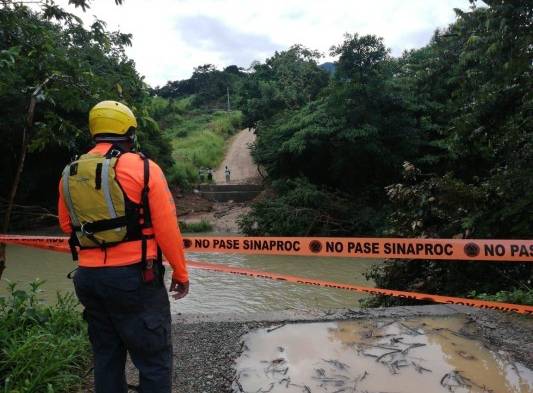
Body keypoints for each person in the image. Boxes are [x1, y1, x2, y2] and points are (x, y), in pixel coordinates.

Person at [57, 100, 189, 393]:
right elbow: (167, 229)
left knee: (106, 356)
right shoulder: (144, 168)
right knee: (153, 360)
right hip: (135, 278)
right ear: (129, 132)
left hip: (88, 279)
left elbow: (67, 226)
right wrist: (181, 273)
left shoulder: (70, 172)